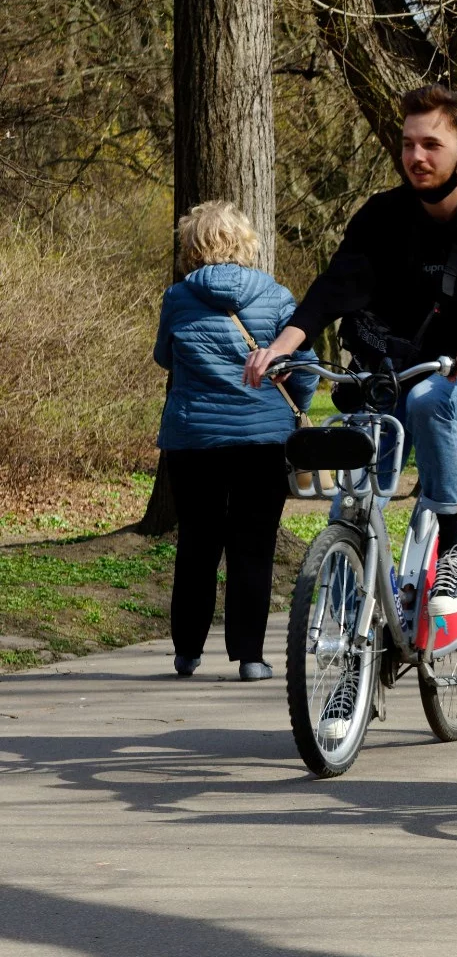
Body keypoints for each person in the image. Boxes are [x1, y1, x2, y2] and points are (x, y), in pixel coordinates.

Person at [245, 84, 457, 620]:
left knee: (430, 401)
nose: (416, 157)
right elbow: (334, 287)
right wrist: (280, 347)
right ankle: (350, 619)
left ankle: (452, 551)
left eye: (431, 144)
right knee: (354, 488)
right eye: (407, 144)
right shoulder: (382, 216)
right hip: (385, 374)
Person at [159, 201, 316, 680]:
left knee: (197, 542)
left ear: (192, 247)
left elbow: (165, 357)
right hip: (261, 438)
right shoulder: (276, 296)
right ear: (245, 243)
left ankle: (187, 651)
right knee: (253, 544)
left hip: (194, 439)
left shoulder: (178, 298)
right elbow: (302, 369)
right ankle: (249, 657)